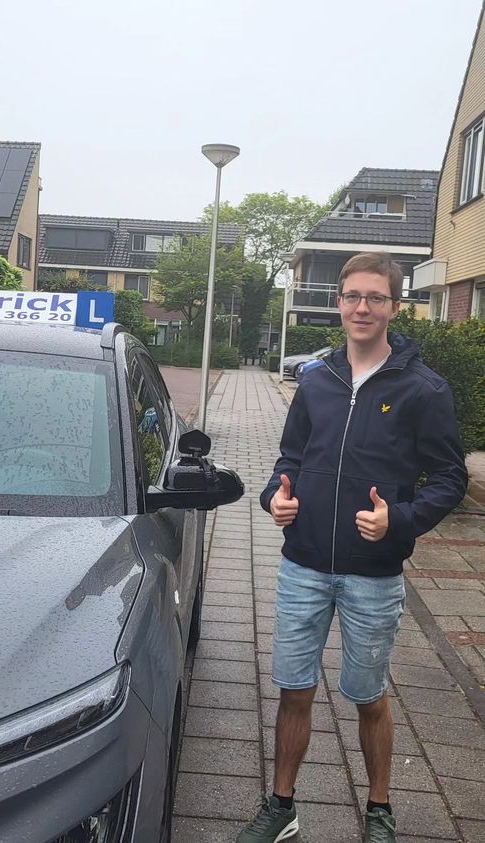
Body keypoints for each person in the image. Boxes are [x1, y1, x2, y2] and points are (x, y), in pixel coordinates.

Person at [237, 252, 468, 843]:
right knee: (293, 690)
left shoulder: (424, 389)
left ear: (395, 306)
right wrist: (274, 497)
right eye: (352, 296)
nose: (362, 307)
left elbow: (449, 478)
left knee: (368, 696)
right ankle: (282, 807)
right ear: (338, 302)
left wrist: (401, 521)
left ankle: (379, 810)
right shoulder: (316, 379)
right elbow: (291, 457)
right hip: (304, 565)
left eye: (376, 297)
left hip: (374, 573)